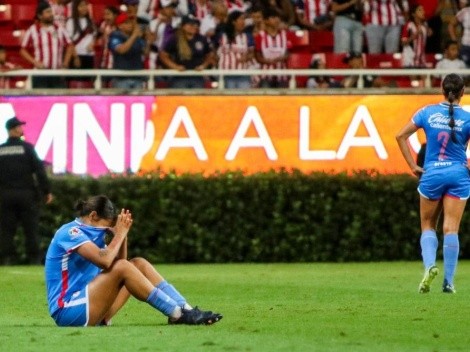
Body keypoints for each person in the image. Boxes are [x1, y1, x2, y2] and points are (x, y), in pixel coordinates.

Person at [44, 195, 222, 326]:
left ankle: (187, 309)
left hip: (90, 304)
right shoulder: (70, 233)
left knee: (138, 263)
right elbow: (106, 263)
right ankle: (176, 314)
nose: (104, 232)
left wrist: (123, 236)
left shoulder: (91, 233)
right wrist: (119, 234)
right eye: (104, 227)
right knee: (124, 266)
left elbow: (121, 266)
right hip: (67, 310)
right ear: (92, 216)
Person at [396, 73, 470, 294]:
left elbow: (400, 136)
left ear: (441, 90)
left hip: (432, 174)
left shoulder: (426, 112)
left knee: (428, 225)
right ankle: (448, 282)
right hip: (458, 174)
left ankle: (429, 267)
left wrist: (412, 165)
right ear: (462, 93)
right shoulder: (467, 118)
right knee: (451, 228)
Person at [0, 117, 53, 265]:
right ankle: (34, 259)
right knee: (31, 229)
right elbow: (39, 171)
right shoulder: (27, 148)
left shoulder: (1, 150)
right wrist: (46, 191)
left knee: (6, 230)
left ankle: (6, 259)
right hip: (26, 195)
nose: (21, 129)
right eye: (19, 127)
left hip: (5, 195)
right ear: (13, 129)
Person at [19, 1, 75, 89]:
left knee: (59, 100)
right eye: (48, 12)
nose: (51, 14)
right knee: (40, 100)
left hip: (57, 73)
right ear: (40, 16)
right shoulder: (32, 30)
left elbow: (70, 45)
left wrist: (65, 63)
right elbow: (23, 50)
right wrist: (35, 62)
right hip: (40, 74)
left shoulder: (59, 29)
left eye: (51, 11)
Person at [159, 14, 214, 88]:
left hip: (197, 76)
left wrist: (204, 65)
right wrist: (175, 66)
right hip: (179, 77)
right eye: (190, 24)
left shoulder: (202, 39)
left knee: (196, 99)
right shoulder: (175, 38)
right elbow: (163, 55)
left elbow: (209, 54)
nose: (194, 26)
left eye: (195, 24)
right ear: (183, 26)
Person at [108, 11, 151, 89]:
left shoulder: (137, 38)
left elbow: (145, 53)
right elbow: (122, 50)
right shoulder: (115, 36)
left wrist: (148, 40)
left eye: (131, 23)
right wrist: (134, 35)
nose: (130, 25)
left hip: (137, 77)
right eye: (127, 23)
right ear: (120, 26)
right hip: (121, 78)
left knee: (138, 100)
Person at [216, 10, 254, 89]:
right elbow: (215, 52)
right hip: (227, 74)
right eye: (241, 19)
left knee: (244, 99)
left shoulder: (247, 36)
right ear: (233, 22)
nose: (243, 22)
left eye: (244, 19)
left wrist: (246, 57)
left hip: (243, 73)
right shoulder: (222, 36)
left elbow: (252, 53)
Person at [65, 0, 97, 88]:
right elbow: (70, 42)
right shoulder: (70, 22)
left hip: (89, 56)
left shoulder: (91, 22)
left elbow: (94, 36)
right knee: (75, 84)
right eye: (81, 6)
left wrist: (92, 44)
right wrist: (75, 57)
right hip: (77, 56)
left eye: (85, 5)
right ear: (76, 8)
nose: (84, 8)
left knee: (87, 84)